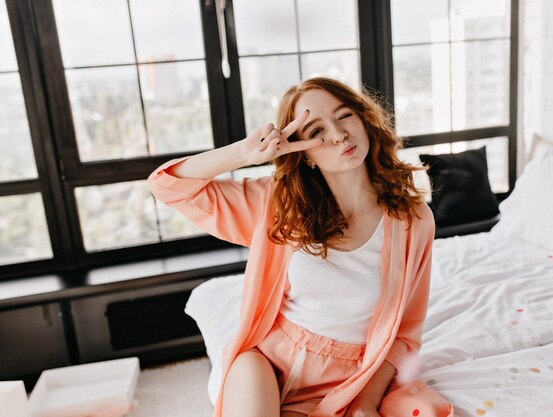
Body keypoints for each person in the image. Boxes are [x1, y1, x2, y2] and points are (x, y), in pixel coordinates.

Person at [147, 77, 454, 417]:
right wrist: (245, 153)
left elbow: (405, 335)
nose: (338, 135)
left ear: (364, 119)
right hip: (266, 361)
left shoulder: (413, 220)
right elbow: (167, 186)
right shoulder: (278, 204)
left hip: (346, 380)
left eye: (344, 116)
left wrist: (366, 401)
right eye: (316, 131)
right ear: (303, 153)